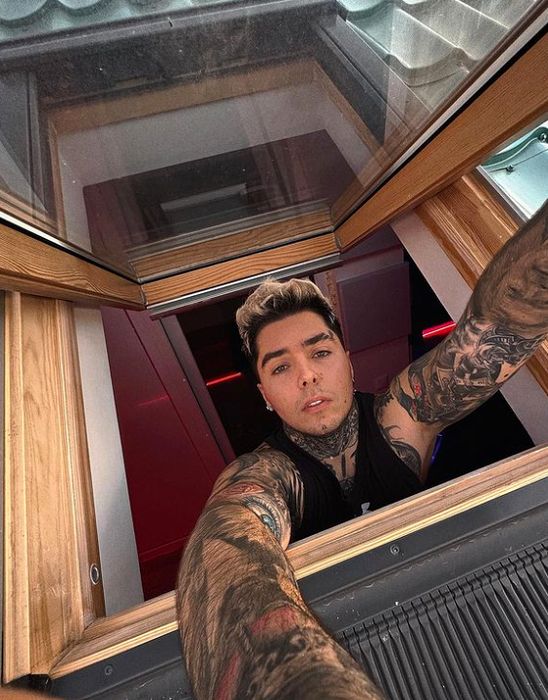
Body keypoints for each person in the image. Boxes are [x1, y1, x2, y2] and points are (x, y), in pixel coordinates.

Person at [177, 202, 547, 699]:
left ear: (348, 362)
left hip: (462, 620)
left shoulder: (403, 416)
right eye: (281, 367)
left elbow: (498, 327)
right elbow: (224, 547)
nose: (307, 374)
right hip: (350, 640)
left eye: (320, 351)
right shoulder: (266, 474)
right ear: (264, 394)